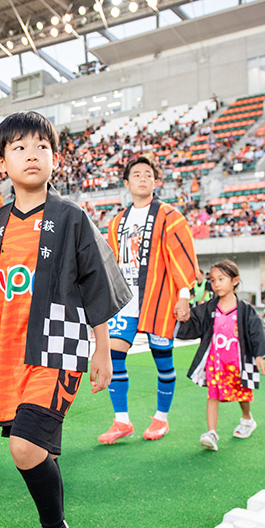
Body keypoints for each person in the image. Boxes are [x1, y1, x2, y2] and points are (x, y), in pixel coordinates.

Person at [0, 111, 130, 528]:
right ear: (0, 162)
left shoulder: (71, 216)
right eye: (20, 147)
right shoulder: (0, 222)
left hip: (59, 346)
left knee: (24, 448)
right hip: (13, 351)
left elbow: (96, 284)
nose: (32, 154)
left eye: (42, 147)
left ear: (55, 158)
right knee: (40, 449)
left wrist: (103, 350)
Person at [97, 156, 198, 445]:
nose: (143, 178)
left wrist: (184, 296)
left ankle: (161, 418)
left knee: (162, 360)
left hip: (159, 298)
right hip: (125, 301)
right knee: (115, 357)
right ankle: (122, 421)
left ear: (155, 181)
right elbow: (110, 263)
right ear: (126, 183)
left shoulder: (170, 216)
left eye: (148, 174)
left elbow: (182, 257)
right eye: (136, 174)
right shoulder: (117, 222)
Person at [175, 260, 265, 451]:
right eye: (212, 280)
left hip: (238, 362)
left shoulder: (245, 309)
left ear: (235, 281)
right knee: (213, 395)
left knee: (242, 394)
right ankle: (211, 433)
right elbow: (194, 322)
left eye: (221, 279)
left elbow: (256, 332)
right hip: (215, 362)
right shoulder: (208, 308)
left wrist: (259, 355)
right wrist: (185, 317)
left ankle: (247, 419)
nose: (216, 284)